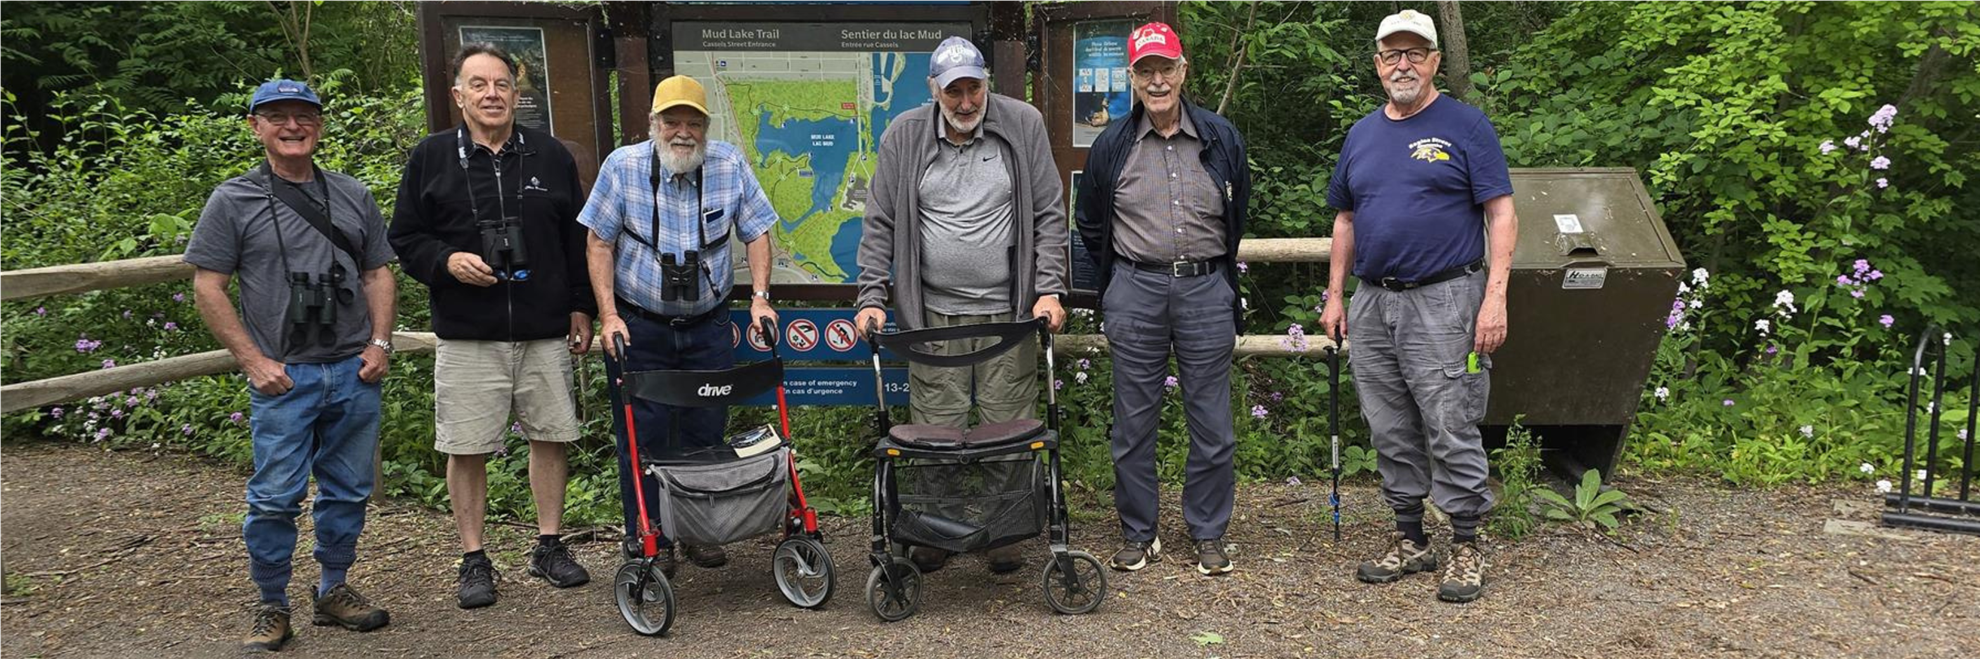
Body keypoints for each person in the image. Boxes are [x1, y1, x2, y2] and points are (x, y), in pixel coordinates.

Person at [1316, 9, 1518, 604]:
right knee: (1388, 422)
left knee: (1450, 418)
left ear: (1434, 61)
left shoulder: (1465, 125)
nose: (1402, 64)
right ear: (1377, 65)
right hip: (1375, 299)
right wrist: (1335, 293)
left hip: (1447, 296)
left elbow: (1500, 213)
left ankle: (1467, 544)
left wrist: (1495, 298)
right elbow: (1346, 217)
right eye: (1390, 54)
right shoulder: (1361, 134)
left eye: (1414, 53)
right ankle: (1411, 537)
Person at [186, 78, 395, 651]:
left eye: (303, 116)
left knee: (349, 489)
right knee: (275, 496)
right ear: (256, 127)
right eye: (276, 116)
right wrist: (253, 360)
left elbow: (378, 272)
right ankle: (271, 602)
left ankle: (333, 589)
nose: (292, 126)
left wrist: (380, 343)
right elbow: (209, 285)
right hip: (283, 377)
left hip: (352, 371)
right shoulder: (233, 200)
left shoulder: (352, 194)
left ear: (319, 126)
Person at [387, 43, 595, 609]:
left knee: (552, 437)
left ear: (517, 93)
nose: (492, 94)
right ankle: (474, 557)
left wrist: (581, 305)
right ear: (459, 95)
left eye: (502, 84)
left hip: (543, 328)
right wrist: (446, 262)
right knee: (467, 446)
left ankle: (548, 545)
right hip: (467, 331)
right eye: (478, 84)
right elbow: (404, 238)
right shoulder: (430, 157)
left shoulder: (550, 157)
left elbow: (576, 241)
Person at [854, 36, 1069, 575]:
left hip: (1009, 311)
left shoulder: (1022, 125)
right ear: (936, 92)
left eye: (974, 88)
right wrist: (872, 296)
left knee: (1009, 421)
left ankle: (1006, 530)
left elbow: (1048, 213)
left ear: (986, 84)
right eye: (955, 92)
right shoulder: (904, 135)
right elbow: (879, 222)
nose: (966, 102)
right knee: (935, 423)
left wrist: (1048, 289)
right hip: (933, 316)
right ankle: (935, 529)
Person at [578, 74, 780, 574]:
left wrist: (759, 299)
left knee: (705, 431)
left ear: (706, 127)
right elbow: (598, 243)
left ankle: (697, 531)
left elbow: (757, 232)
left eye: (693, 121)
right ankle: (649, 535)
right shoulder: (622, 168)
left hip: (707, 326)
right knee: (640, 437)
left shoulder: (728, 164)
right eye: (672, 121)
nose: (682, 131)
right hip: (639, 327)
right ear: (654, 124)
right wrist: (607, 315)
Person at [1074, 22, 1250, 576]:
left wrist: (1216, 277)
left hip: (1204, 289)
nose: (1156, 81)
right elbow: (1091, 223)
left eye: (1165, 69)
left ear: (1183, 71)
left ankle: (1208, 532)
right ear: (1132, 77)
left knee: (1212, 422)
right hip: (1136, 288)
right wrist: (1124, 277)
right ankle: (1138, 531)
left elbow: (1237, 207)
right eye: (1145, 71)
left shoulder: (1220, 137)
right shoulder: (1112, 145)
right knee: (1132, 423)